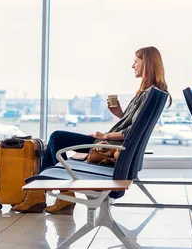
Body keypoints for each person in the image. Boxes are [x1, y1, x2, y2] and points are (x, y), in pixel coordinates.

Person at [13, 46, 170, 215]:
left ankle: (44, 196)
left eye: (136, 62)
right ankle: (58, 196)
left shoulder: (147, 95)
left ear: (147, 63)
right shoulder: (151, 94)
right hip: (112, 146)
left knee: (57, 138)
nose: (133, 66)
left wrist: (105, 136)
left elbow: (131, 133)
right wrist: (119, 114)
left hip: (109, 147)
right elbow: (134, 127)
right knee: (57, 139)